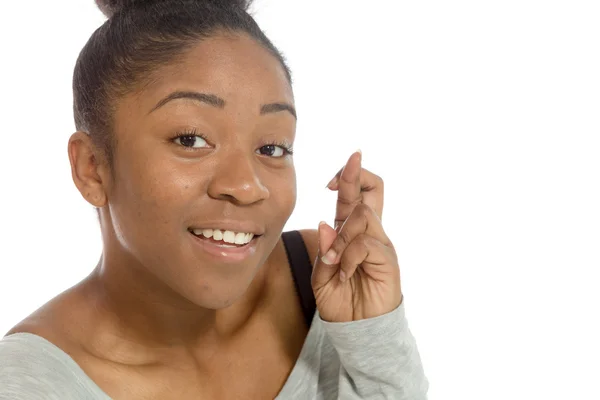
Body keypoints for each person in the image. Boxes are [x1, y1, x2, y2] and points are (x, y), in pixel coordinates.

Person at [0, 0, 428, 398]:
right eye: (191, 139)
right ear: (92, 166)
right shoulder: (29, 384)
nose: (247, 186)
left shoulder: (325, 285)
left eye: (272, 148)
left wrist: (374, 338)